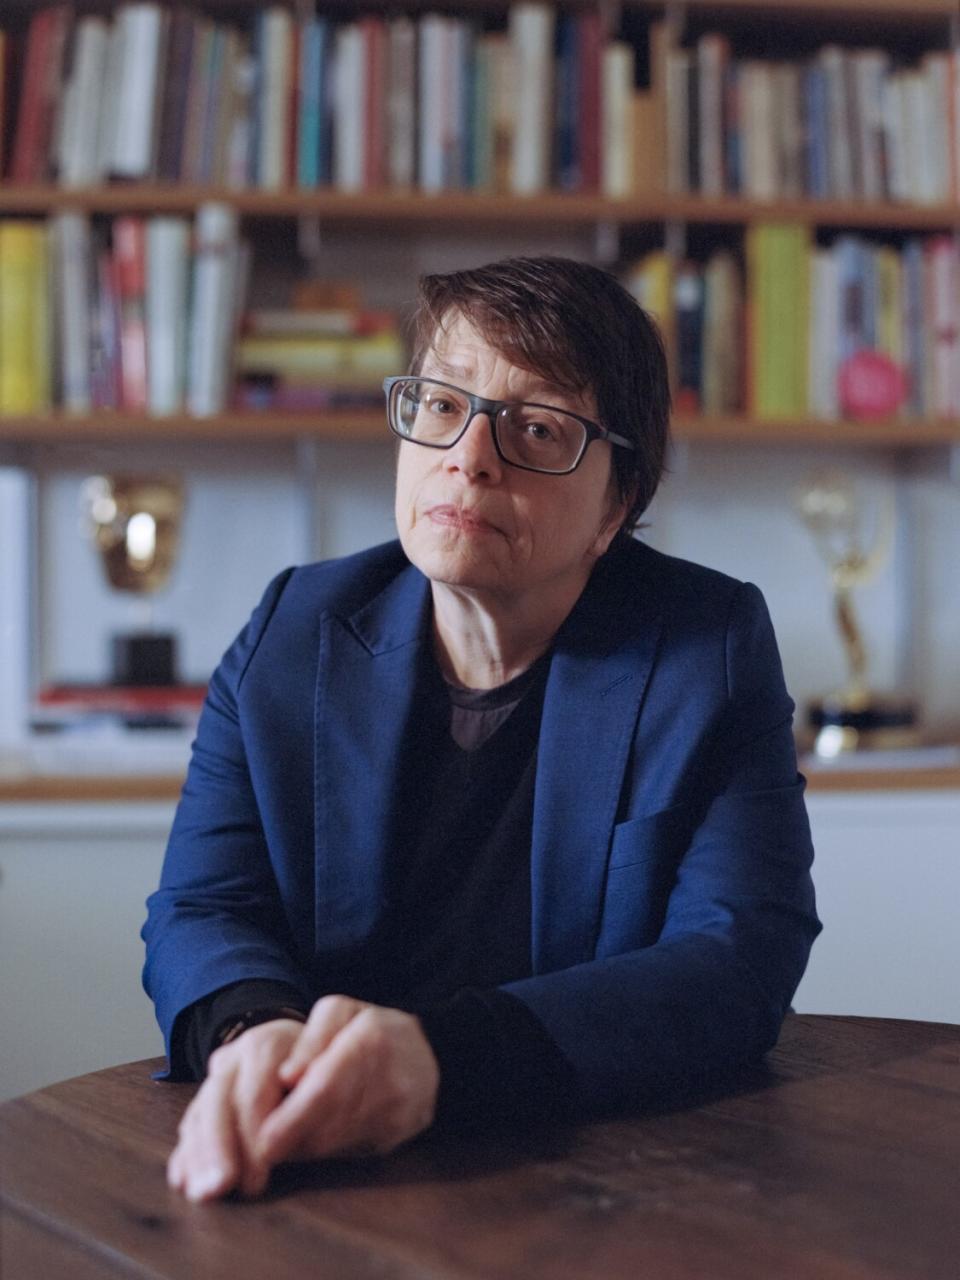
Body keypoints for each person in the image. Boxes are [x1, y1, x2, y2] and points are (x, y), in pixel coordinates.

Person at [143, 255, 820, 1204]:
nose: (468, 455)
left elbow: (737, 958)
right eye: (440, 406)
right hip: (317, 1162)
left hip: (595, 1177)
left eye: (536, 428)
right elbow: (201, 910)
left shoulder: (703, 649)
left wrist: (439, 1064)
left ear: (616, 508)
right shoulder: (297, 626)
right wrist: (258, 1036)